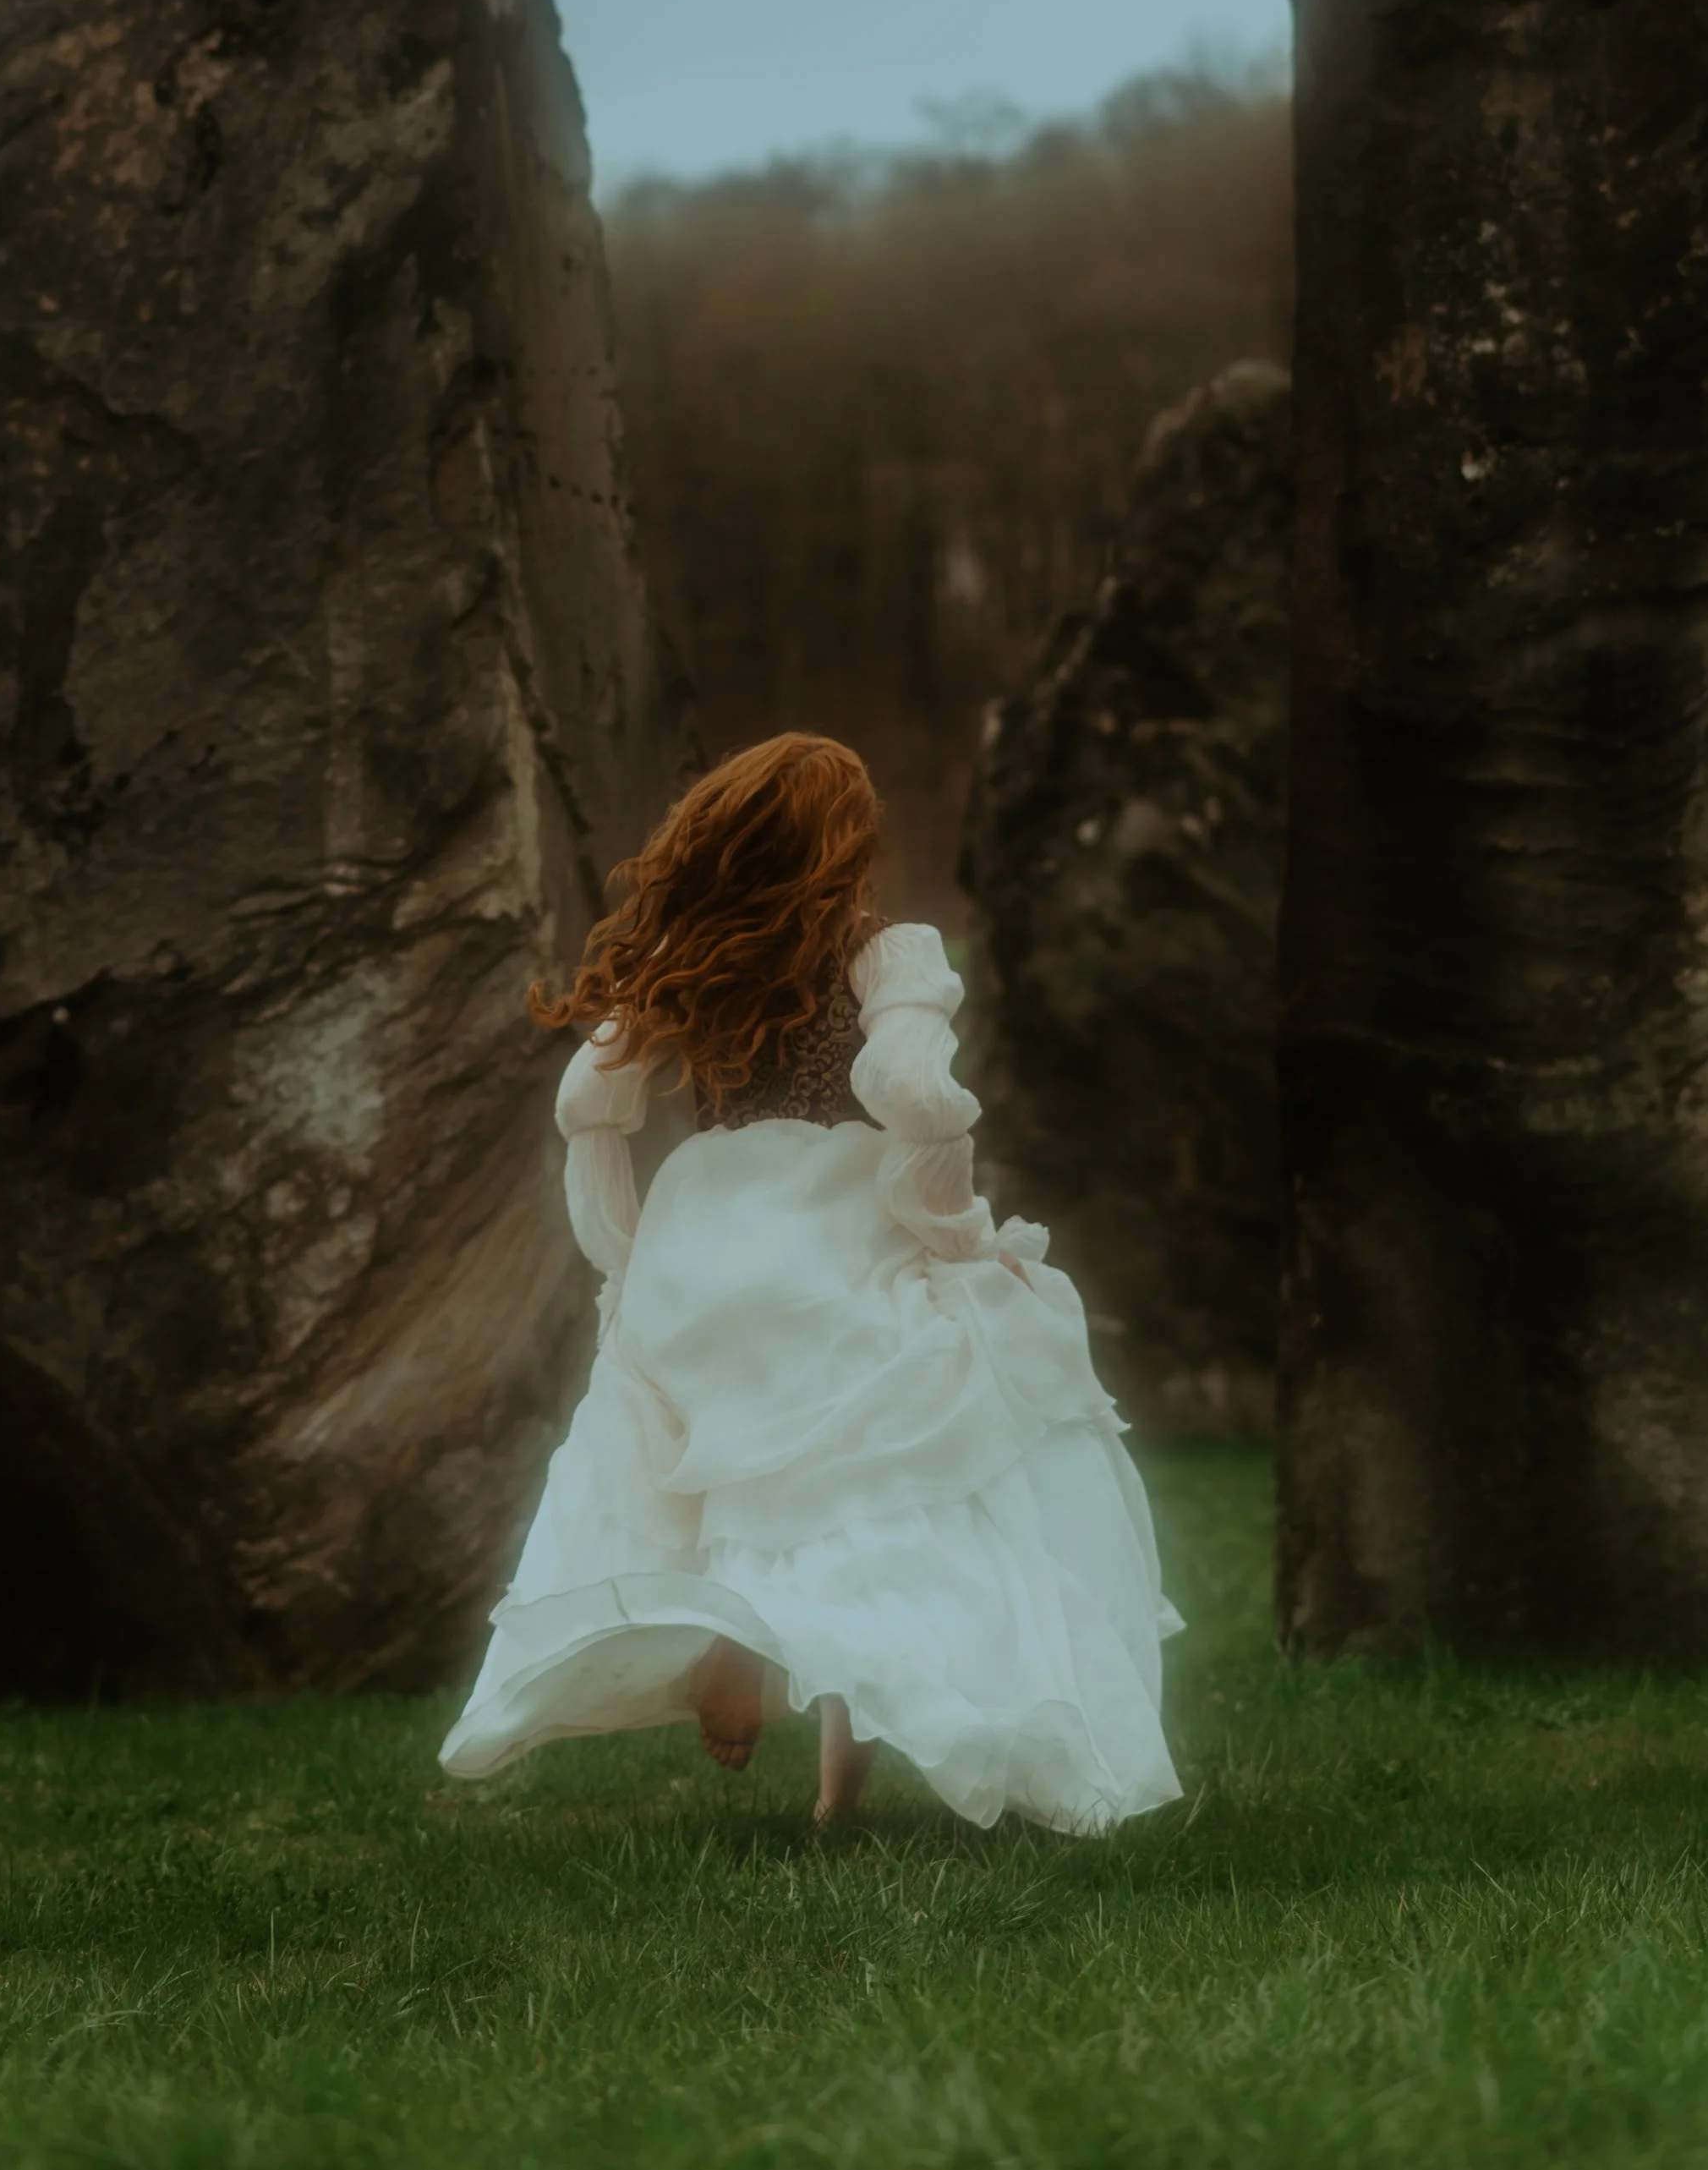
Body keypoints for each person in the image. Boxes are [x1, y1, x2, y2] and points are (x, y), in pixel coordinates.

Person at [440, 732, 1181, 1832]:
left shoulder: (690, 959)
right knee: (903, 1454)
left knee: (768, 1466)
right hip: (832, 1212)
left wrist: (626, 1259)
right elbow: (914, 1098)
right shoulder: (883, 951)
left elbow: (587, 1106)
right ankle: (803, 1701)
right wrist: (958, 1230)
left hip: (706, 1226)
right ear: (847, 841)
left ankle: (814, 1755)